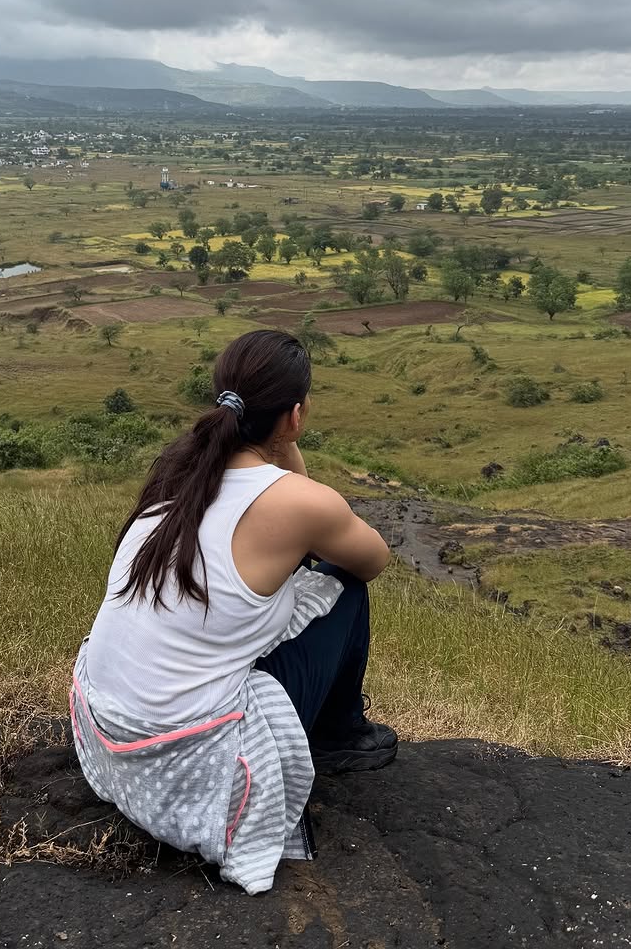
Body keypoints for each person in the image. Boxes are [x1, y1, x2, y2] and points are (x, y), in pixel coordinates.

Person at [71, 328, 395, 894]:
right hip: (189, 759)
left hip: (111, 731)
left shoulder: (178, 470)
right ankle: (342, 732)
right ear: (294, 416)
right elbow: (372, 559)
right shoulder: (299, 501)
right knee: (342, 582)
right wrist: (290, 458)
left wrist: (278, 447)